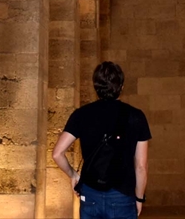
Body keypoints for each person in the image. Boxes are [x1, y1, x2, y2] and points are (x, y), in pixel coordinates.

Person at [52, 61, 151, 218]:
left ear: (95, 87)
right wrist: (139, 198)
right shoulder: (136, 116)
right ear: (121, 86)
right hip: (122, 196)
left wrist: (73, 175)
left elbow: (57, 153)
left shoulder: (81, 114)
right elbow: (141, 166)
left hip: (90, 195)